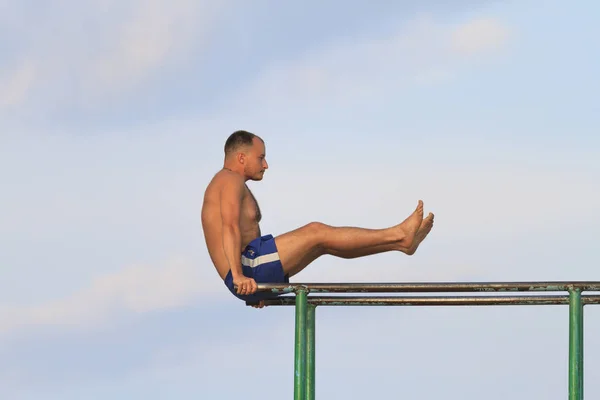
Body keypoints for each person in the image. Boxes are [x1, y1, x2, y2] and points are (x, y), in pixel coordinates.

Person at [201, 130, 435, 307]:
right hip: (245, 267)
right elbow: (230, 227)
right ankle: (398, 235)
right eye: (260, 157)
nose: (266, 165)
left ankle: (399, 243)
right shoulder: (229, 180)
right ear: (241, 158)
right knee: (316, 231)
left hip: (249, 267)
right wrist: (241, 277)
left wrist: (252, 293)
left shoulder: (228, 183)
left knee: (322, 243)